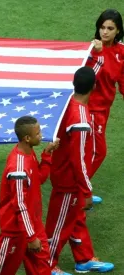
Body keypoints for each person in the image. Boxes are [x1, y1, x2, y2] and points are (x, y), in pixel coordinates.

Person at [45, 66, 113, 275]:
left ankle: (83, 259)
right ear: (94, 86)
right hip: (69, 180)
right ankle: (46, 266)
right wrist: (86, 190)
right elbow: (79, 159)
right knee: (58, 226)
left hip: (62, 172)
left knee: (73, 219)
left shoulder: (67, 103)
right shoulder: (81, 119)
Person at [0, 116, 59, 275]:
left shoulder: (29, 152)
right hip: (15, 230)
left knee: (41, 266)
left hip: (33, 224)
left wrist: (47, 154)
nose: (41, 135)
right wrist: (31, 236)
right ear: (27, 138)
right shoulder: (18, 169)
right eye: (38, 133)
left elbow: (39, 178)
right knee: (4, 270)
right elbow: (19, 205)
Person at [84, 9, 124, 204]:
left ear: (118, 31)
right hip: (90, 109)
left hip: (104, 110)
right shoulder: (90, 50)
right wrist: (98, 54)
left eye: (110, 28)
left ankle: (80, 189)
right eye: (102, 27)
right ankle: (80, 191)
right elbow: (87, 80)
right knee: (98, 152)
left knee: (87, 152)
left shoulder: (121, 52)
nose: (105, 32)